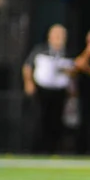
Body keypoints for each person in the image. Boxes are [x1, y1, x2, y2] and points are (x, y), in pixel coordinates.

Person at [22, 24, 74, 154]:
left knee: (56, 122)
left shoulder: (68, 53)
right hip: (42, 91)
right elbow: (27, 66)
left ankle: (53, 150)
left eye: (62, 35)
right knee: (39, 120)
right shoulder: (40, 50)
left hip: (60, 92)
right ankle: (35, 150)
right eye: (56, 35)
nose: (59, 38)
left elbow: (73, 73)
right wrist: (28, 83)